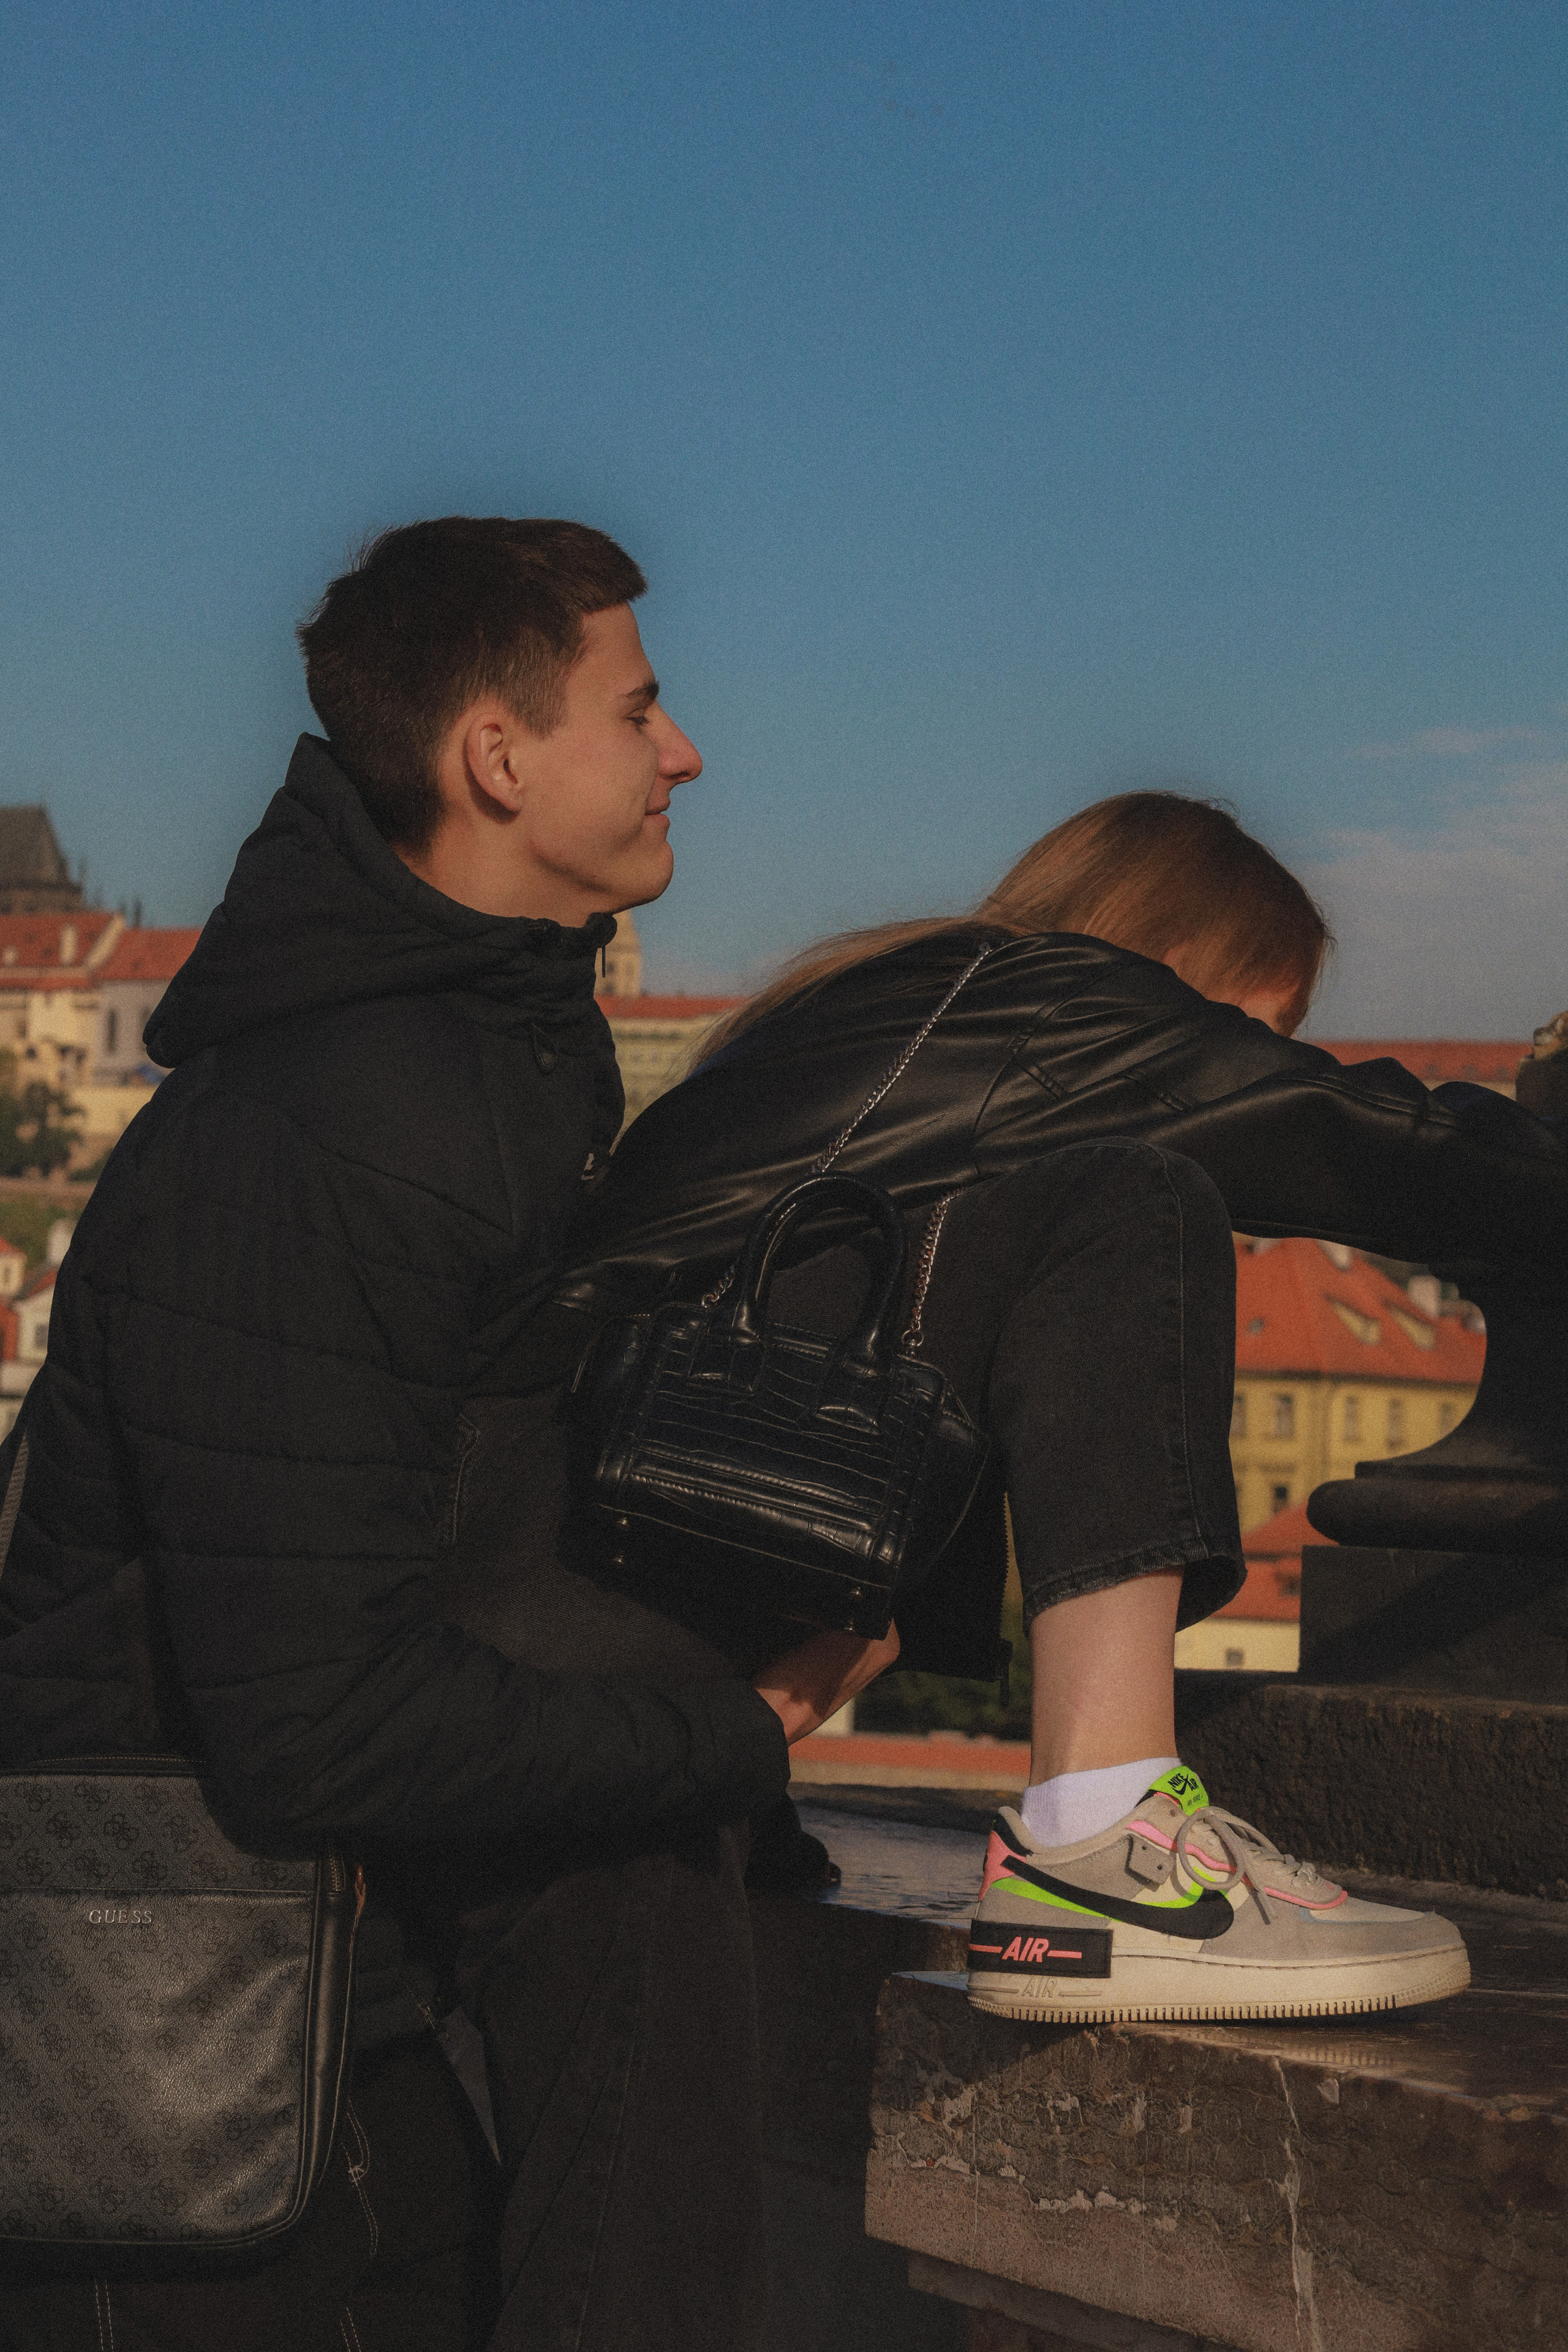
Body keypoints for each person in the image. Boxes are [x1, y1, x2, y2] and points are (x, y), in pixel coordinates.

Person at [0, 517, 887, 2351]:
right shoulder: (335, 1128)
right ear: (497, 758)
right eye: (639, 708)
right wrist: (724, 1730)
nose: (685, 749)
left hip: (343, 2017)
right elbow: (313, 1720)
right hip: (173, 2058)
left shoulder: (476, 1059)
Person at [551, 789, 1568, 2031]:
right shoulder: (1059, 1000)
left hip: (578, 1547)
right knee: (1129, 1201)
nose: (1269, 1054)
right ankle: (1105, 1849)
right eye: (1268, 1021)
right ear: (1177, 966)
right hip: (617, 1552)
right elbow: (1384, 1147)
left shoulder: (860, 1006)